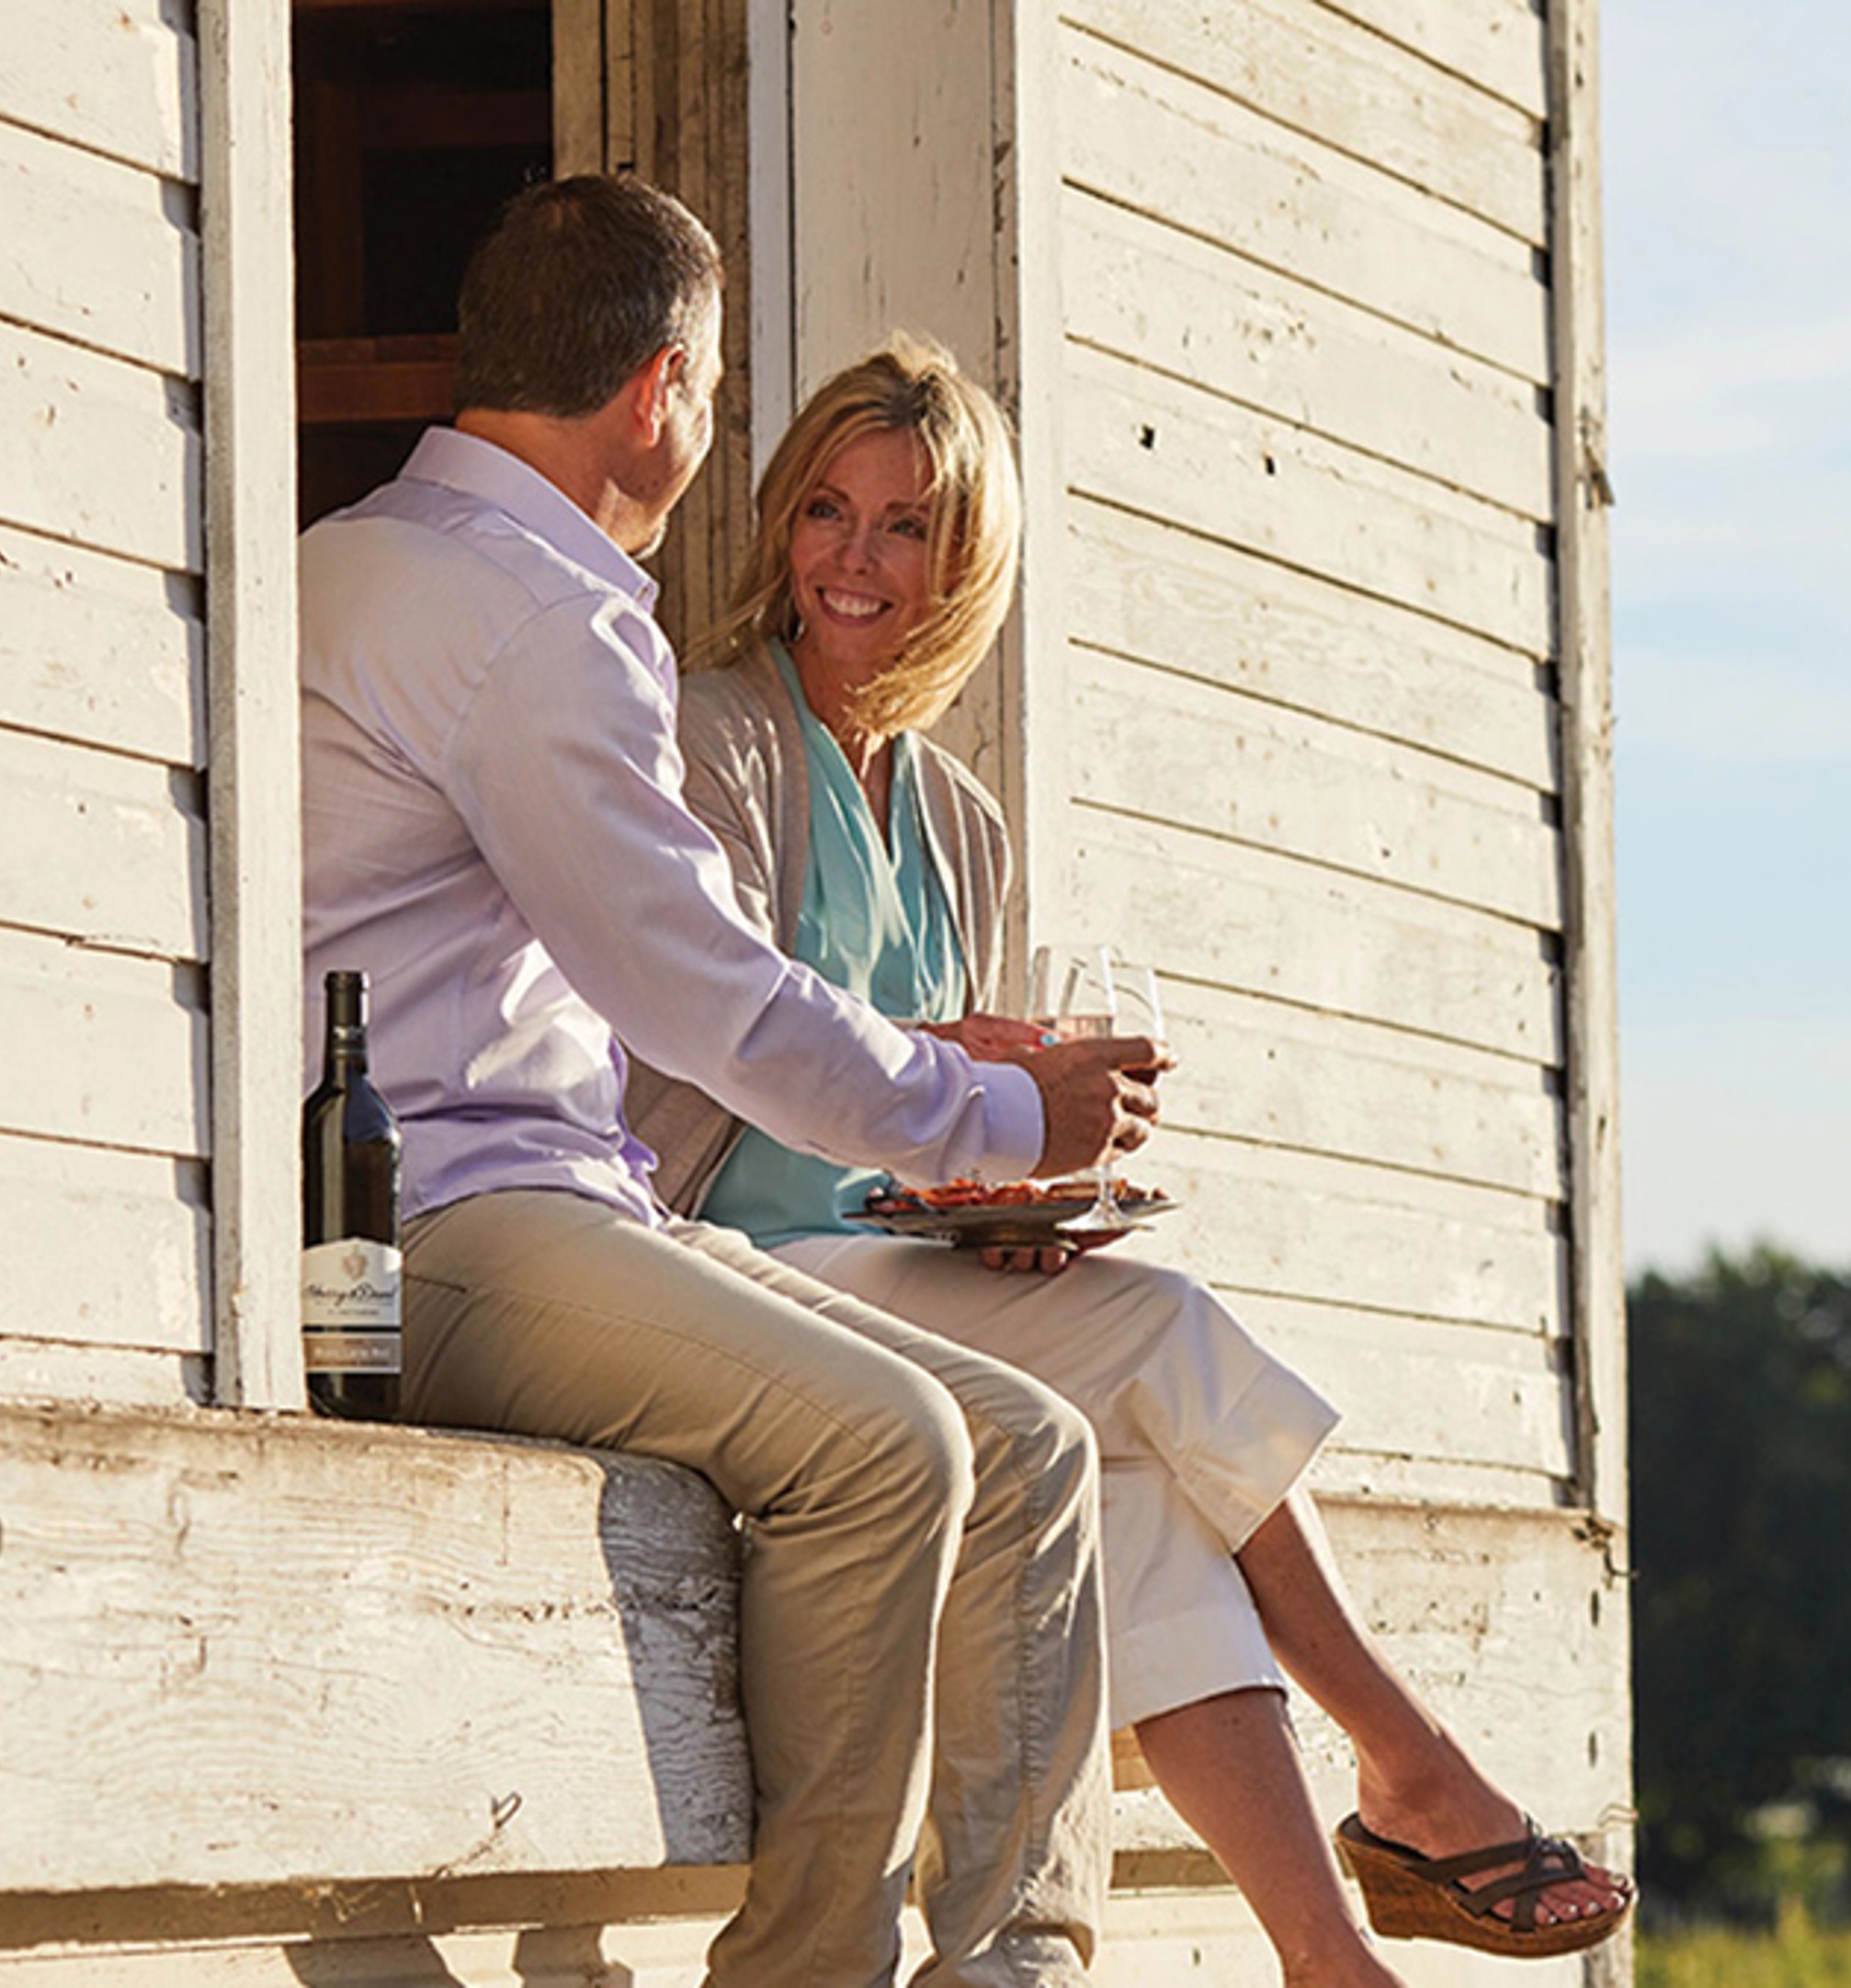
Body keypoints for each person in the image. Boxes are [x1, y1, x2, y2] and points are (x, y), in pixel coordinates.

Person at [620, 336, 1633, 1982]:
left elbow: (950, 1129)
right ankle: (1411, 1764)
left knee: (1144, 1499)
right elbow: (731, 1028)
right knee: (1162, 1328)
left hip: (907, 1286)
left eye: (905, 527)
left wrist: (1016, 1210)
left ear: (966, 566)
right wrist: (980, 1074)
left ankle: (1327, 1955)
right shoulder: (712, 738)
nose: (855, 562)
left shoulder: (963, 824)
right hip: (732, 1271)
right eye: (827, 510)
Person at [299, 177, 1165, 1988]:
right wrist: (1007, 1116)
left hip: (548, 1205)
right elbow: (703, 994)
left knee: (1035, 1443)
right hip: (444, 1224)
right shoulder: (527, 615)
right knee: (898, 1440)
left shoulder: (370, 556)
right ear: (664, 388)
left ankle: (1016, 1961)